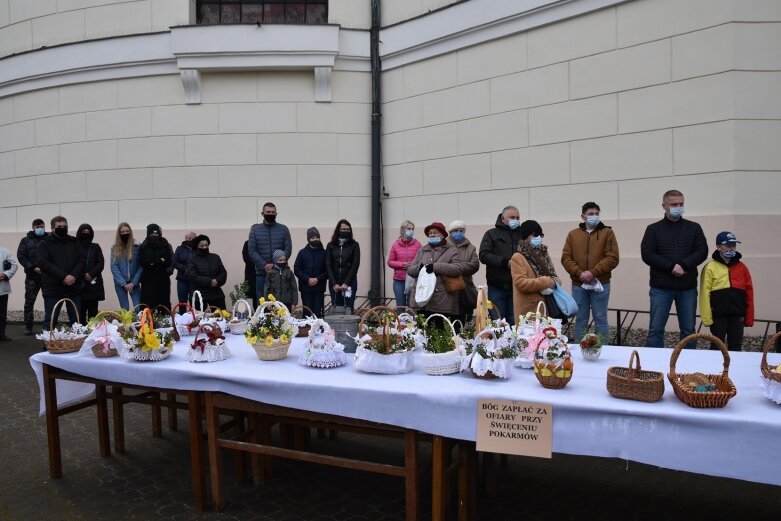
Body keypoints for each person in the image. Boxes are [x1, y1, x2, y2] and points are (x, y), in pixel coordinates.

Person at [640, 190, 708, 349]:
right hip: (660, 288)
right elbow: (647, 254)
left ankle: (688, 368)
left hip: (687, 288)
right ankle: (654, 367)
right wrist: (671, 267)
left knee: (689, 330)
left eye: (681, 204)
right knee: (656, 330)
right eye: (674, 204)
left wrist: (684, 265)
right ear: (664, 206)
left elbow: (702, 251)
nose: (678, 207)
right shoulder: (653, 229)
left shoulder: (694, 228)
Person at [560, 202, 620, 342]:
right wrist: (580, 273)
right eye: (590, 214)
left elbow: (613, 257)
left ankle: (603, 348)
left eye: (596, 214)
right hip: (578, 284)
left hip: (601, 283)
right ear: (583, 216)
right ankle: (579, 349)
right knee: (580, 319)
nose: (594, 216)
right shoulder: (573, 235)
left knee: (600, 318)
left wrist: (593, 273)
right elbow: (566, 258)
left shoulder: (607, 233)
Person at [699, 232, 754, 352]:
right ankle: (715, 370)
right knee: (717, 345)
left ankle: (734, 370)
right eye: (728, 245)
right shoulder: (710, 267)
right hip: (718, 315)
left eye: (733, 245)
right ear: (718, 247)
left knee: (736, 346)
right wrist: (707, 318)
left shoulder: (742, 267)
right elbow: (704, 294)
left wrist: (749, 317)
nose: (732, 248)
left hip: (737, 315)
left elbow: (749, 293)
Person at [407, 222, 463, 321]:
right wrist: (419, 268)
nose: (432, 235)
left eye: (435, 233)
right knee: (422, 331)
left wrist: (436, 267)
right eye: (430, 233)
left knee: (439, 330)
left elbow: (458, 268)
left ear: (442, 235)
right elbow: (410, 270)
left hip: (441, 299)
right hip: (422, 299)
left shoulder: (451, 250)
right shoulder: (422, 250)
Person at [479, 205, 525, 325]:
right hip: (497, 286)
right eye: (512, 217)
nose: (515, 220)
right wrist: (505, 263)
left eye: (517, 217)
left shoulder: (523, 235)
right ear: (503, 218)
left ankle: (513, 344)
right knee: (497, 322)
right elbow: (484, 255)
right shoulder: (491, 234)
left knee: (515, 322)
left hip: (517, 286)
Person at [38, 216, 85, 328]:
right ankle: (48, 345)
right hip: (53, 287)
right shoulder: (45, 243)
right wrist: (64, 277)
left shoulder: (74, 242)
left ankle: (76, 344)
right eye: (59, 226)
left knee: (76, 319)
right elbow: (44, 263)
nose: (62, 228)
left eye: (65, 226)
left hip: (73, 286)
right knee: (51, 319)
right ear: (52, 228)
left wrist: (73, 276)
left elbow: (82, 261)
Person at [510, 220, 560, 321]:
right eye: (534, 234)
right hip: (528, 311)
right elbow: (521, 283)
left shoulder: (544, 254)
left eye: (540, 235)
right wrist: (545, 282)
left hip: (547, 307)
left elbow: (555, 277)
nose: (538, 237)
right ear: (525, 236)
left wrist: (554, 282)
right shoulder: (518, 257)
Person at [248, 202, 292, 301]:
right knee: (263, 304)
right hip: (261, 273)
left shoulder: (284, 229)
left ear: (276, 213)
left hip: (280, 273)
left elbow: (288, 248)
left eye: (273, 212)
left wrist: (277, 263)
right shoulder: (255, 230)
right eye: (268, 212)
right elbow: (252, 250)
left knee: (280, 304)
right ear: (262, 214)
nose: (271, 214)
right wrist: (264, 265)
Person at [446, 220, 479, 327]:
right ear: (450, 232)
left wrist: (455, 267)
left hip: (464, 289)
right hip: (447, 289)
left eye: (461, 231)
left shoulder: (470, 247)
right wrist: (461, 266)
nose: (459, 233)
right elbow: (441, 264)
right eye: (456, 231)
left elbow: (474, 265)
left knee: (461, 321)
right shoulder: (444, 245)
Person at [17, 218, 47, 335]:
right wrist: (33, 267)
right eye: (38, 227)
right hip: (32, 276)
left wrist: (46, 268)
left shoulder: (49, 239)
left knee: (49, 300)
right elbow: (21, 256)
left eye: (42, 226)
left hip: (47, 276)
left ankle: (48, 325)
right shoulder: (26, 240)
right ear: (33, 227)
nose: (40, 229)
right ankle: (28, 326)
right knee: (29, 301)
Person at [325, 219, 360, 313]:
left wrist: (346, 283)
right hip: (335, 282)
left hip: (349, 282)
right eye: (343, 229)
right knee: (337, 309)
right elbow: (328, 264)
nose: (346, 231)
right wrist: (334, 283)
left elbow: (355, 264)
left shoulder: (354, 245)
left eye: (348, 229)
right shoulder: (331, 245)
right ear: (338, 230)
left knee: (348, 308)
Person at [186, 235, 228, 310]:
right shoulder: (192, 259)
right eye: (202, 246)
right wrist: (209, 281)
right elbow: (192, 275)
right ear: (197, 246)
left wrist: (217, 281)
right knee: (199, 319)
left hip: (216, 293)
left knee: (221, 317)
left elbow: (223, 272)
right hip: (199, 295)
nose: (205, 247)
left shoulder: (215, 257)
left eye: (206, 245)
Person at [387, 220, 421, 309]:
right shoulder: (395, 245)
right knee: (400, 305)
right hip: (399, 280)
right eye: (409, 228)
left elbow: (421, 261)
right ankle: (400, 322)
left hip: (413, 279)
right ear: (402, 230)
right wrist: (402, 265)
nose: (411, 231)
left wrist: (413, 265)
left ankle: (412, 323)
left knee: (412, 306)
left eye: (413, 229)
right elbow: (390, 262)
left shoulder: (417, 244)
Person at [293, 227, 327, 318]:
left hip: (319, 289)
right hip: (305, 289)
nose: (315, 239)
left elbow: (327, 270)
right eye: (312, 238)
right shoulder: (302, 253)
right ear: (308, 239)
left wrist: (317, 279)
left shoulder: (324, 253)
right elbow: (297, 269)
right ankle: (306, 331)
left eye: (317, 237)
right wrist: (307, 279)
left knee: (317, 314)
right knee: (307, 313)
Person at [138, 223, 173, 310]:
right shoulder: (144, 246)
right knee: (149, 302)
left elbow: (168, 261)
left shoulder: (165, 244)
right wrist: (159, 261)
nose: (155, 235)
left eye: (156, 233)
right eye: (152, 233)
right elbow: (143, 262)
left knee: (163, 301)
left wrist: (152, 262)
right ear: (148, 233)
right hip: (148, 279)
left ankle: (164, 321)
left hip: (163, 278)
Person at [110, 223, 143, 310]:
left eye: (127, 231)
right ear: (119, 233)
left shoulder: (137, 247)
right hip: (120, 284)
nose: (125, 233)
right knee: (125, 309)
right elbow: (114, 267)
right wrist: (124, 283)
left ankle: (139, 323)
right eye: (123, 232)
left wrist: (133, 282)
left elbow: (141, 266)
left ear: (130, 232)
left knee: (138, 308)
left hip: (134, 283)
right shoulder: (115, 248)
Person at [76, 223, 105, 322]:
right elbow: (73, 263)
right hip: (80, 284)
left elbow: (101, 263)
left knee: (93, 312)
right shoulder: (75, 246)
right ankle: (81, 332)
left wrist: (91, 274)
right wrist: (83, 274)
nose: (86, 233)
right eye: (83, 232)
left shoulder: (95, 247)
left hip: (94, 284)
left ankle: (93, 331)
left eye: (88, 232)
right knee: (80, 311)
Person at [173, 231, 197, 312]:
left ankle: (194, 320)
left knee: (194, 301)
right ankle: (182, 319)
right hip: (182, 279)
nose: (190, 240)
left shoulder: (198, 249)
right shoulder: (179, 249)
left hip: (194, 279)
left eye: (193, 239)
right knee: (182, 302)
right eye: (189, 238)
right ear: (185, 239)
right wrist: (184, 268)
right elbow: (175, 262)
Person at [0, 245, 18, 341]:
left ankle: (1, 334)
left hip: (2, 288)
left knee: (2, 313)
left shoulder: (4, 251)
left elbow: (14, 265)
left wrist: (5, 274)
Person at [241, 240, 257, 305]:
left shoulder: (265, 242)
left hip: (265, 273)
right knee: (255, 296)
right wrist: (260, 264)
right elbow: (246, 257)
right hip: (252, 274)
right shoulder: (248, 243)